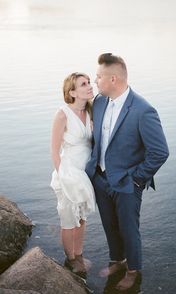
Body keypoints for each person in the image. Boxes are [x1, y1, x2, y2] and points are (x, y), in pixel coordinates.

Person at [86, 53, 169, 291]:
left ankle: (133, 270)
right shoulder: (100, 102)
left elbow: (160, 152)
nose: (95, 80)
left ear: (113, 79)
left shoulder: (143, 110)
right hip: (101, 179)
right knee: (109, 225)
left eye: (99, 76)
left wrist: (136, 179)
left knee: (129, 229)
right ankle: (117, 261)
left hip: (127, 183)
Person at [50, 72, 95, 276]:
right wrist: (62, 176)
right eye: (83, 84)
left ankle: (79, 254)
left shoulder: (91, 110)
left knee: (82, 216)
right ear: (73, 92)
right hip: (68, 172)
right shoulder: (63, 114)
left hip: (85, 174)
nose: (89, 86)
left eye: (89, 82)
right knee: (68, 218)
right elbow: (54, 149)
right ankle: (70, 260)